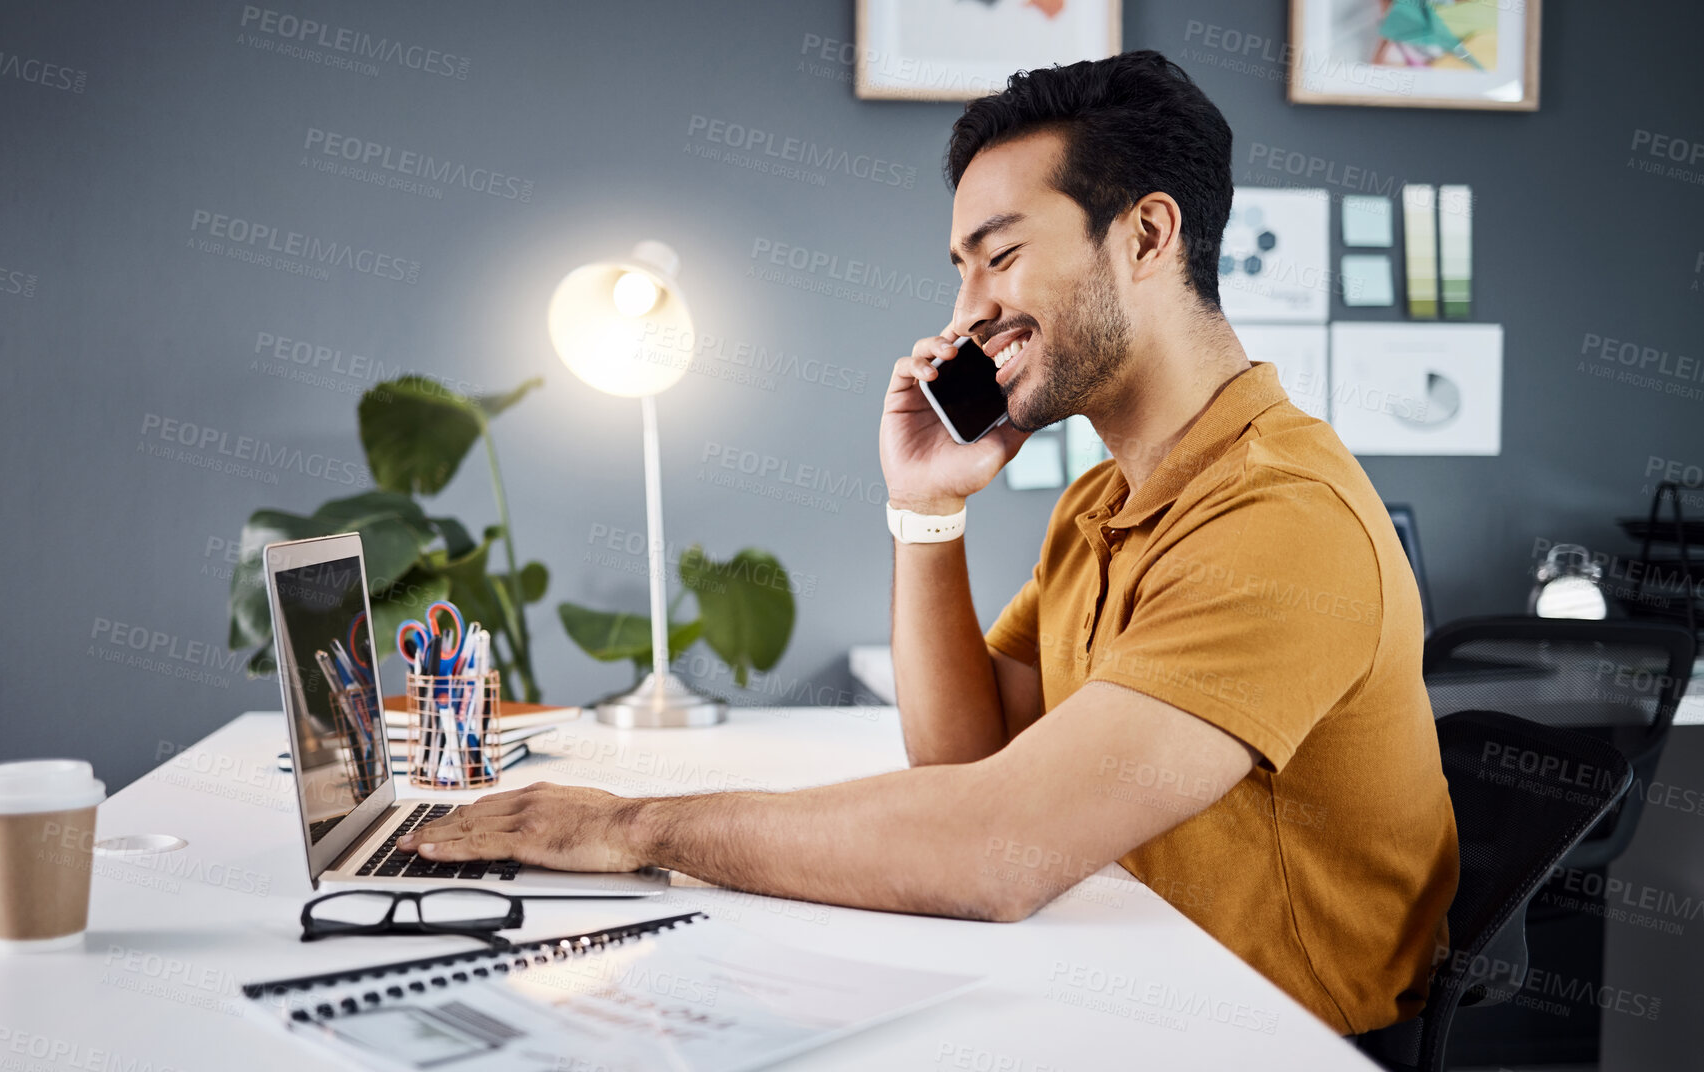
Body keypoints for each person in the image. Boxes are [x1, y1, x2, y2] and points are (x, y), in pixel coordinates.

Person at [401, 51, 1457, 1036]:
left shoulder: (1279, 519)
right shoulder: (1103, 504)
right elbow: (965, 760)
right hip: (1126, 989)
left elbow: (995, 849)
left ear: (1143, 236)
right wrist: (924, 508)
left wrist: (628, 828)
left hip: (1266, 1038)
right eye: (961, 267)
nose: (966, 312)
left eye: (999, 255)